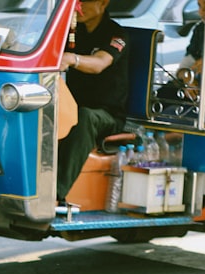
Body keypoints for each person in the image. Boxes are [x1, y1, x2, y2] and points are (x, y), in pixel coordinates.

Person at [56, 0, 129, 207]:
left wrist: (73, 59)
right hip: (74, 107)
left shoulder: (117, 35)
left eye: (85, 1)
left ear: (103, 3)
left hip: (107, 114)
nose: (79, 6)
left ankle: (56, 192)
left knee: (86, 117)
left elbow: (99, 63)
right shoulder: (72, 31)